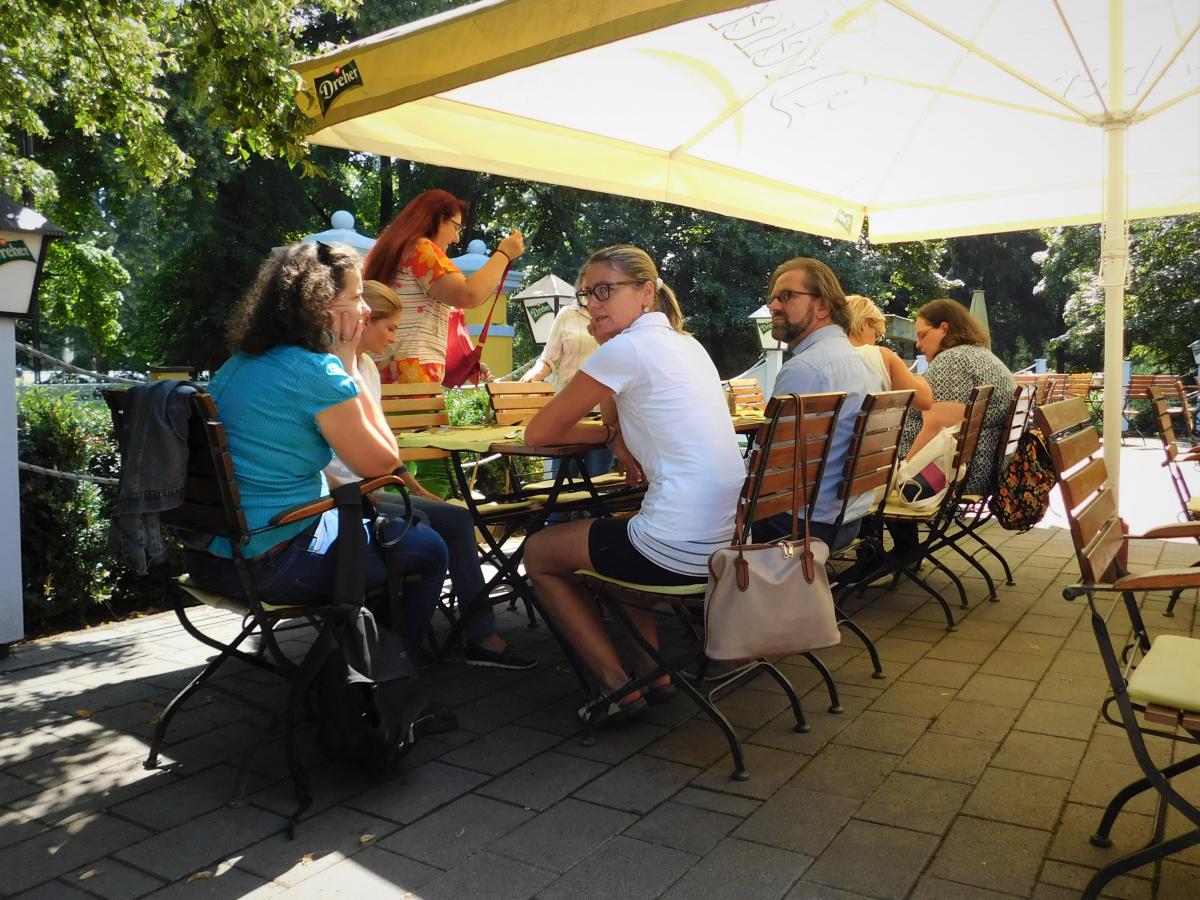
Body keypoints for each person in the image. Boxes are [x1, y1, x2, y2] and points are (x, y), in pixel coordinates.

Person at [184, 242, 449, 663]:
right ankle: (380, 677)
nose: (365, 309)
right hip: (271, 563)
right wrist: (346, 362)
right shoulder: (315, 370)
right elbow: (384, 465)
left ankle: (343, 665)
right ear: (322, 304)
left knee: (403, 529)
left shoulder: (239, 364)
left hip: (210, 559)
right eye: (357, 296)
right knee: (430, 549)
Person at [521, 245, 745, 726]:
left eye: (605, 290)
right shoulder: (686, 344)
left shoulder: (630, 349)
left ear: (646, 293)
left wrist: (608, 436)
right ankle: (653, 673)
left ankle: (616, 686)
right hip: (723, 544)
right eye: (586, 295)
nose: (592, 304)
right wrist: (615, 430)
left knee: (538, 552)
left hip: (676, 549)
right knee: (621, 527)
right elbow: (616, 410)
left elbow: (537, 434)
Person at [324, 280, 536, 670]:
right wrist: (354, 489)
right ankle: (398, 648)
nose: (394, 338)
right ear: (365, 321)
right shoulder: (327, 371)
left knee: (452, 517)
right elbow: (317, 454)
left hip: (372, 487)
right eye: (390, 327)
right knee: (427, 523)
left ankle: (470, 635)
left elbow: (383, 446)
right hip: (346, 496)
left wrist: (414, 487)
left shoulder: (366, 368)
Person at [755, 259, 886, 552]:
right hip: (848, 520)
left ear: (823, 306)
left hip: (798, 526)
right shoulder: (864, 367)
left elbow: (767, 469)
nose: (773, 306)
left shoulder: (805, 369)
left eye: (786, 296)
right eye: (773, 298)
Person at [885, 297, 1017, 564]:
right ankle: (902, 551)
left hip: (953, 473)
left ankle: (890, 554)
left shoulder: (953, 361)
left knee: (863, 472)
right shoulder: (981, 356)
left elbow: (937, 426)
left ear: (944, 328)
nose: (919, 344)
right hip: (982, 467)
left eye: (922, 335)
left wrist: (902, 472)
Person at [362, 189, 525, 387]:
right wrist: (504, 254)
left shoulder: (393, 251)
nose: (456, 238)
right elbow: (468, 294)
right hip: (412, 374)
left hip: (379, 372)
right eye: (455, 227)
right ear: (440, 220)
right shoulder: (419, 249)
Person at [521, 294, 613, 508]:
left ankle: (590, 524)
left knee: (597, 489)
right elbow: (548, 359)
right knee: (560, 488)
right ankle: (555, 525)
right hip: (567, 416)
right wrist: (533, 375)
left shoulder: (614, 314)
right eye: (585, 289)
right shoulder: (566, 315)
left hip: (602, 415)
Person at [845, 294, 933, 410]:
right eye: (876, 335)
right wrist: (918, 377)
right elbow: (925, 401)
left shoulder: (826, 358)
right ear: (865, 323)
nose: (875, 342)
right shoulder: (881, 355)